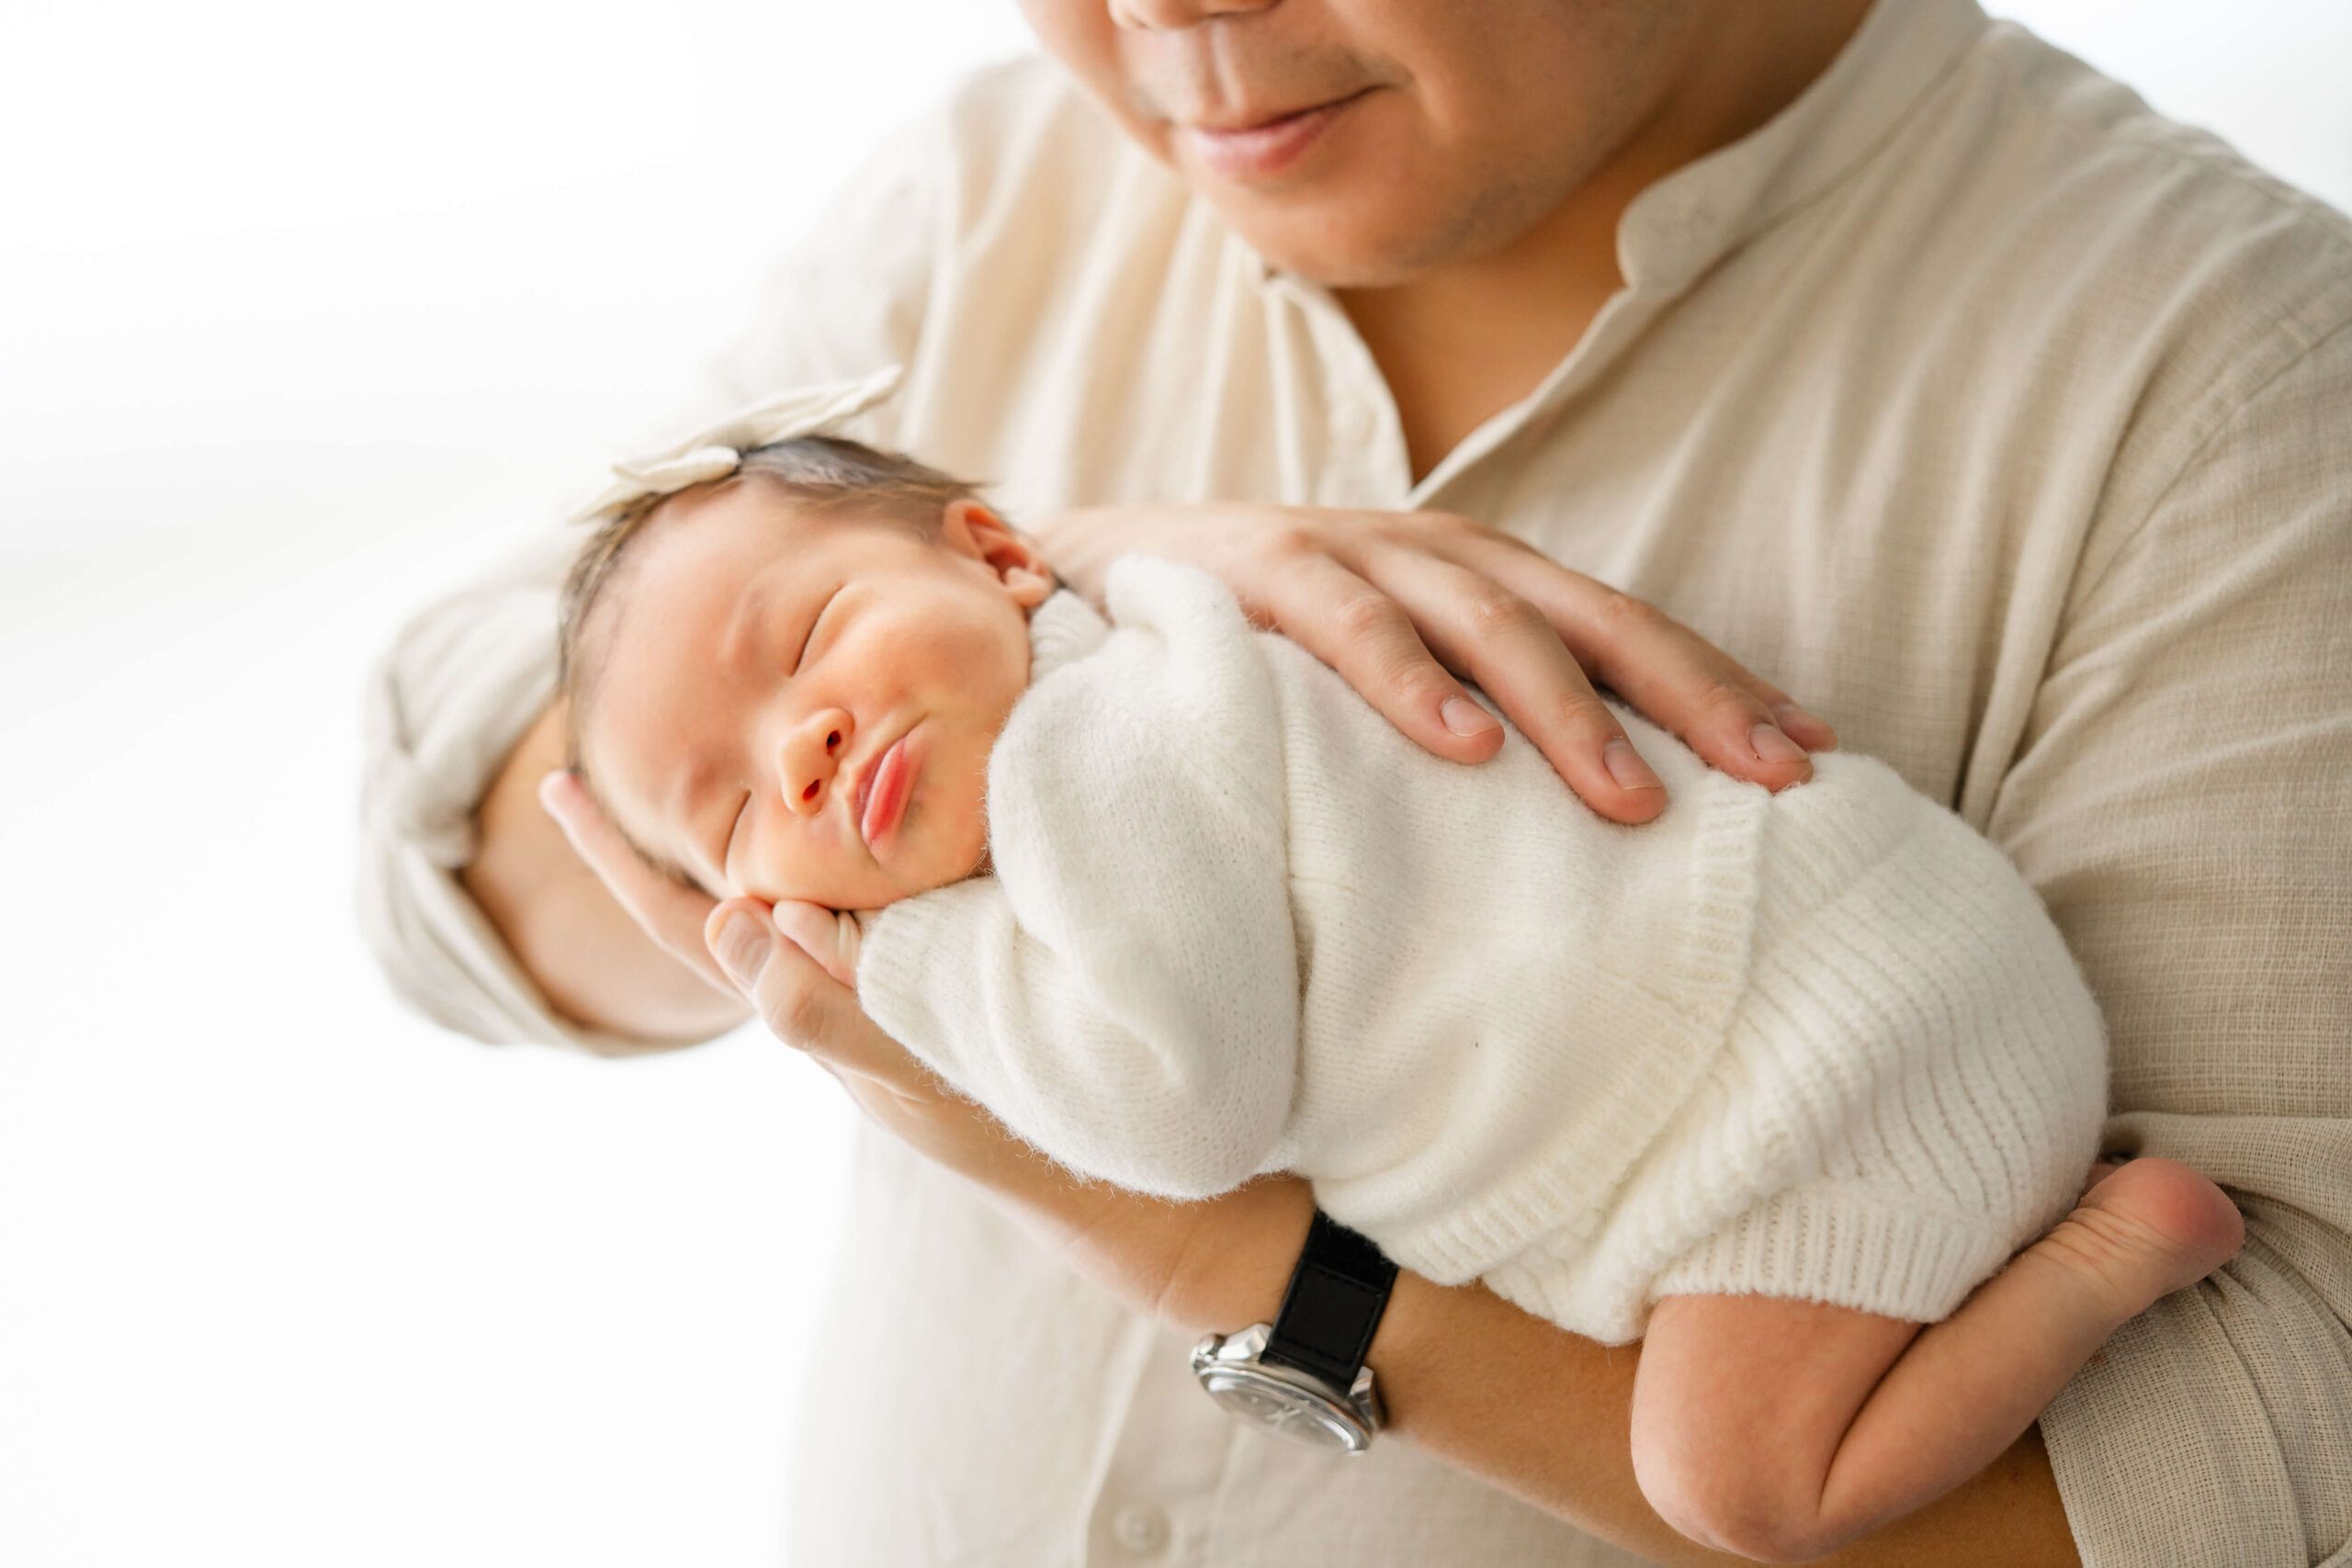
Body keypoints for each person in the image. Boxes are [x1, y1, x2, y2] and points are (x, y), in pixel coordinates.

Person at [358, 0, 2352, 1562]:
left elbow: (2239, 1461)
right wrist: (1094, 556)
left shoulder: (2232, 388)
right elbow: (448, 864)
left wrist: (1230, 1260)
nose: (1164, 9)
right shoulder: (989, 193)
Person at [551, 388, 2243, 1560]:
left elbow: (1180, 1114)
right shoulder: (1136, 662)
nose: (806, 740)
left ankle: (2111, 1253)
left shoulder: (1099, 756)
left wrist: (903, 972)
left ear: (1003, 555)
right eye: (728, 807)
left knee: (1742, 1490)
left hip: (1826, 1073)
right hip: (1835, 985)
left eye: (809, 638)